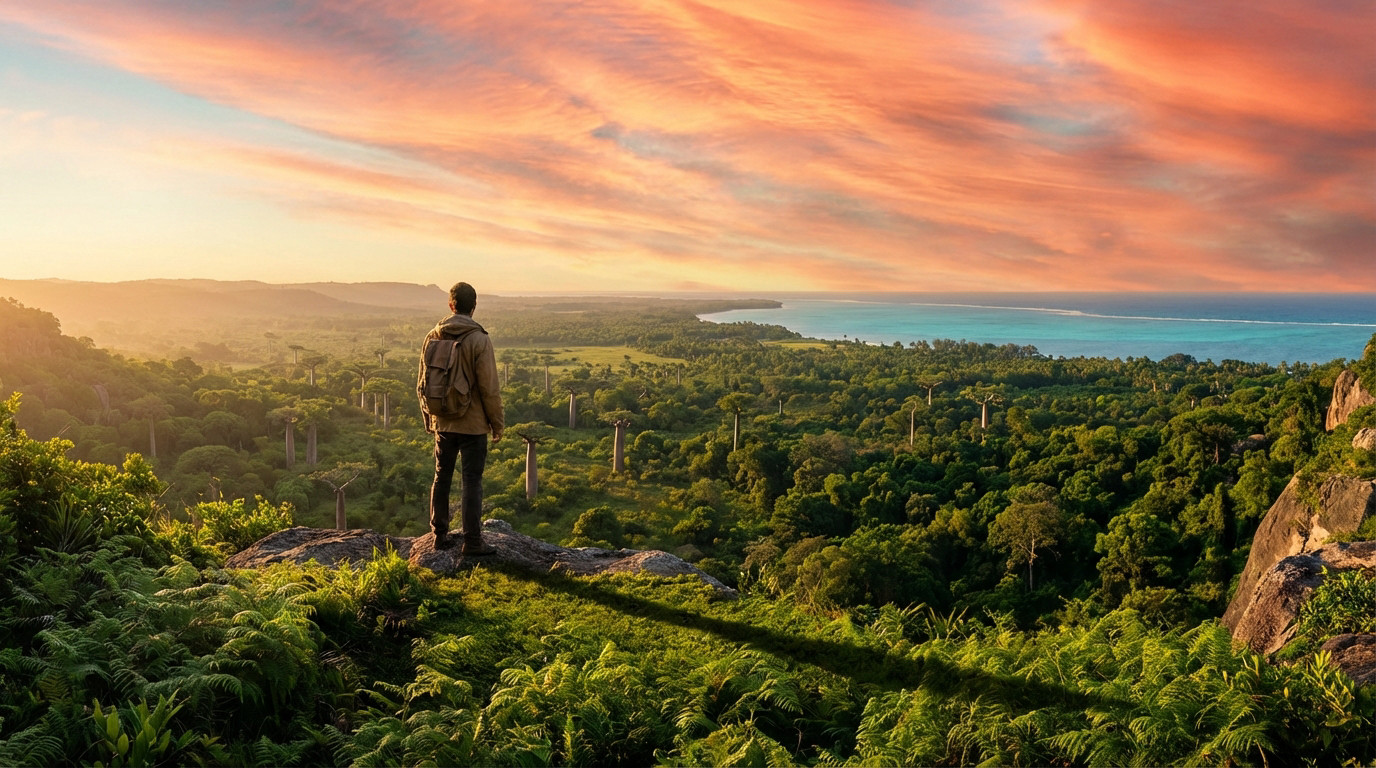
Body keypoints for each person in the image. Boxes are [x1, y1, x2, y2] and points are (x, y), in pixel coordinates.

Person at [418, 282, 504, 554]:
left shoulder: (433, 335)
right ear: (474, 306)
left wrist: (429, 418)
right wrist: (497, 424)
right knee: (471, 481)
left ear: (451, 305)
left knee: (441, 476)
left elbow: (422, 382)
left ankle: (439, 535)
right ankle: (473, 541)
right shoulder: (479, 339)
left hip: (443, 421)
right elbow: (489, 388)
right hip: (473, 424)